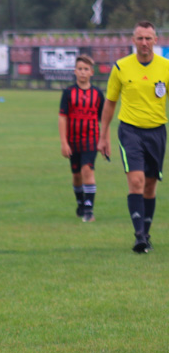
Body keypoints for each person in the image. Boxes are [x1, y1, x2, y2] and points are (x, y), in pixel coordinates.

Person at [98, 21, 169, 253]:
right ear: (133, 40)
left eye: (149, 38)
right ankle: (139, 235)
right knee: (136, 181)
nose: (144, 43)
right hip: (130, 131)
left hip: (157, 131)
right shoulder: (121, 67)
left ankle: (146, 233)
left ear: (156, 40)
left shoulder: (166, 67)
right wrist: (103, 135)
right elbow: (110, 103)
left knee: (150, 185)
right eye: (140, 38)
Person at [59, 54, 104, 223]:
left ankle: (89, 210)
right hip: (73, 140)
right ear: (74, 71)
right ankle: (80, 204)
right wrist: (64, 143)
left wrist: (104, 140)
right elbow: (62, 117)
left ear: (92, 72)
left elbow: (103, 119)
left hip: (91, 139)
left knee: (87, 171)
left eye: (86, 69)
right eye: (80, 69)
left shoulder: (98, 94)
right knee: (77, 175)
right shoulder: (68, 93)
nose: (83, 72)